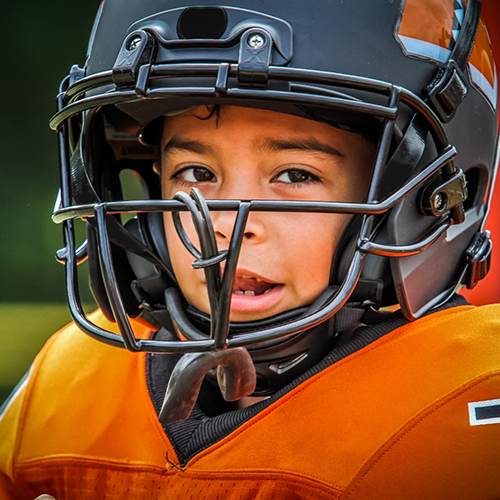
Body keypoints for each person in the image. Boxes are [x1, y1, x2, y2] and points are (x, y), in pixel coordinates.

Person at [1, 0, 500, 498]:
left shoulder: (466, 396)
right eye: (197, 174)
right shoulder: (67, 385)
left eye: (295, 175)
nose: (226, 227)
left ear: (424, 196)